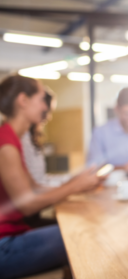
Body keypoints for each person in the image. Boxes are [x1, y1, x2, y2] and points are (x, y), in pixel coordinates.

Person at [0, 75, 102, 279]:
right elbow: (27, 205)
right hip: (5, 246)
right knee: (85, 234)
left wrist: (77, 183)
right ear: (23, 101)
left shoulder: (12, 138)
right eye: (40, 99)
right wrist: (74, 187)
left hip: (15, 233)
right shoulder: (6, 144)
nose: (44, 107)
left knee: (79, 227)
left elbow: (35, 186)